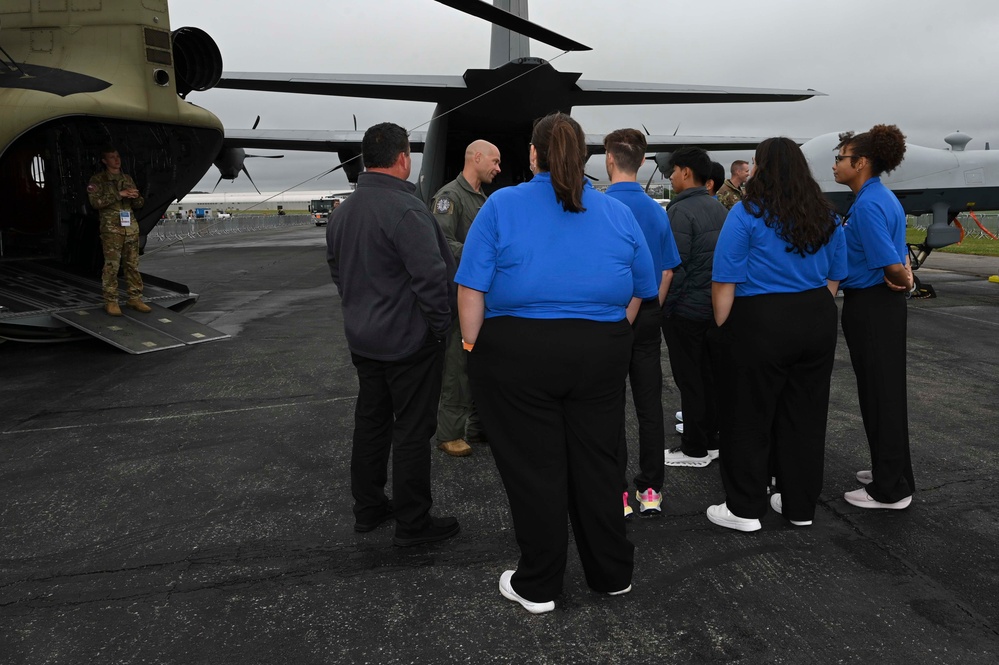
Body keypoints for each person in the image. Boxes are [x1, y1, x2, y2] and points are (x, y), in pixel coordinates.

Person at [456, 113, 657, 614]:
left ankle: (540, 583)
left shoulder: (502, 204)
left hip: (517, 352)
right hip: (600, 351)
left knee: (534, 469)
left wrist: (474, 348)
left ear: (532, 154)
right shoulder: (616, 212)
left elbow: (471, 288)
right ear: (585, 157)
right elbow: (642, 289)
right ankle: (611, 573)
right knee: (598, 463)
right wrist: (612, 330)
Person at [326, 122, 461, 547]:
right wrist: (440, 329)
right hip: (409, 343)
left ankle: (368, 508)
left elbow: (338, 272)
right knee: (412, 431)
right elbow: (432, 277)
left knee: (371, 423)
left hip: (364, 340)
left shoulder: (343, 211)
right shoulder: (407, 209)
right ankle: (413, 522)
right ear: (403, 158)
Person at [706, 137, 847, 532]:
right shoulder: (827, 214)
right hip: (815, 315)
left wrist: (725, 327)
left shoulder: (747, 213)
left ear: (763, 167)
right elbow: (837, 272)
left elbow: (724, 279)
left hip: (759, 318)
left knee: (747, 416)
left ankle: (745, 508)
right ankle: (800, 505)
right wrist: (812, 304)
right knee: (805, 416)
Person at [833, 124, 915, 510]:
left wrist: (906, 280)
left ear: (860, 162)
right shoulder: (879, 196)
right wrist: (902, 274)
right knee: (883, 392)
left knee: (880, 394)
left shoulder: (867, 204)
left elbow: (889, 262)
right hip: (879, 304)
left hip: (872, 305)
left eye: (841, 158)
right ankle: (892, 469)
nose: (835, 164)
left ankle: (890, 489)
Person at [603, 128, 681, 518]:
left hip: (608, 316)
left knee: (609, 404)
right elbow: (667, 269)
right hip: (649, 312)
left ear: (609, 160)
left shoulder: (598, 207)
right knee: (650, 405)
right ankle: (651, 490)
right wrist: (652, 305)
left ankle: (616, 493)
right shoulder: (655, 210)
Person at [430, 140, 502, 457]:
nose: (498, 169)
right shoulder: (449, 197)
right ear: (476, 157)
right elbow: (442, 244)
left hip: (480, 295)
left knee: (479, 363)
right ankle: (449, 432)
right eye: (495, 161)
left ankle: (476, 426)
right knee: (457, 366)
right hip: (460, 295)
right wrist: (483, 255)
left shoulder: (480, 200)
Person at [661, 147, 728, 468]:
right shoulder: (719, 209)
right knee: (710, 378)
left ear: (686, 172)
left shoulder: (679, 212)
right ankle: (712, 440)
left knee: (690, 380)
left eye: (673, 171)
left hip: (686, 310)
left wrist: (665, 310)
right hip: (714, 308)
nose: (670, 176)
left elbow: (675, 268)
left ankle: (694, 449)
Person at [86, 147, 151, 316]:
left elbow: (139, 204)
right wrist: (119, 194)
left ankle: (135, 298)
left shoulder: (127, 179)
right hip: (111, 229)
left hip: (130, 227)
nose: (116, 160)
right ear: (104, 161)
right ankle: (111, 301)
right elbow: (95, 203)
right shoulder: (98, 180)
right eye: (112, 157)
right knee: (112, 265)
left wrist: (135, 197)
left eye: (117, 156)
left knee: (132, 265)